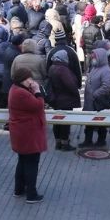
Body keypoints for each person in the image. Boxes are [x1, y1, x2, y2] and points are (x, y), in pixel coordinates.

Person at [8, 67, 47, 203]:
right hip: (28, 132)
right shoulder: (21, 93)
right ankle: (31, 194)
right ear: (23, 79)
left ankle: (18, 189)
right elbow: (38, 105)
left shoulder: (15, 89)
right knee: (31, 163)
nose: (32, 81)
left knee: (23, 161)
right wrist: (37, 91)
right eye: (29, 78)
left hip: (21, 132)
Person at [81, 48, 110, 148]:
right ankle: (88, 140)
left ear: (101, 57)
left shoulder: (106, 70)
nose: (92, 58)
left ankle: (101, 140)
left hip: (98, 101)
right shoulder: (95, 67)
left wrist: (95, 94)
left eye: (94, 57)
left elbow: (107, 86)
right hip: (90, 102)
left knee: (101, 122)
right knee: (89, 122)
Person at [48, 50, 80, 151]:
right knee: (65, 122)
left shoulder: (52, 67)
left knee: (57, 121)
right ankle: (65, 144)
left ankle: (58, 142)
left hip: (56, 99)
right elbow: (70, 84)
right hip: (65, 99)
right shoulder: (63, 69)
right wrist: (76, 91)